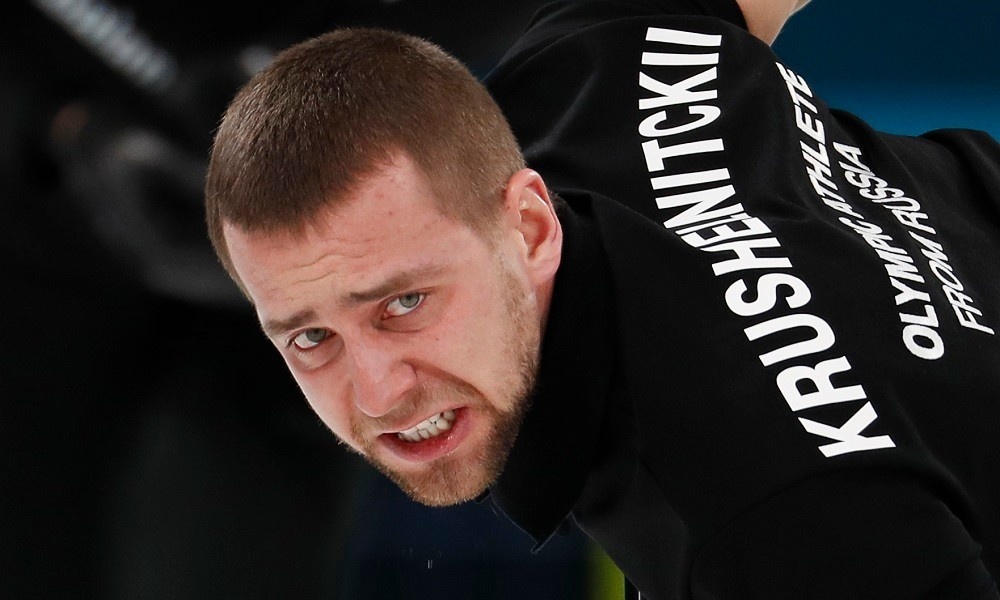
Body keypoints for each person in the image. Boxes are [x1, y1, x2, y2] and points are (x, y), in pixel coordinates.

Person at [203, 0, 1000, 597]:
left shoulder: (762, 515)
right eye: (311, 339)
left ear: (529, 226)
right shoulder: (594, 62)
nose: (378, 392)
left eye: (404, 303)